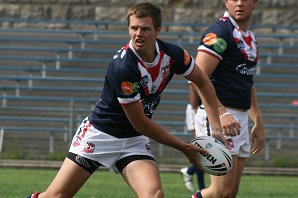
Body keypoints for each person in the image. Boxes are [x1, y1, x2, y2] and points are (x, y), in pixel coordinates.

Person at [26, 3, 228, 198]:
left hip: (133, 141)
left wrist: (216, 128)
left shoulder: (173, 54)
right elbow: (140, 122)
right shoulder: (123, 68)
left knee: (154, 194)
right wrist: (183, 147)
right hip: (100, 135)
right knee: (56, 196)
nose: (138, 34)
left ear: (158, 30)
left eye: (145, 29)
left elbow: (202, 82)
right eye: (134, 28)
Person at [191, 0, 265, 198]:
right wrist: (222, 113)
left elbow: (247, 81)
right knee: (220, 192)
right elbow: (198, 77)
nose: (239, 3)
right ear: (226, 2)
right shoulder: (219, 32)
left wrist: (257, 120)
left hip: (239, 119)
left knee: (230, 193)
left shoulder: (249, 37)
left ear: (255, 3)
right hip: (216, 116)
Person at [180, 82, 205, 193]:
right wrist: (195, 114)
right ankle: (201, 187)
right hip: (198, 111)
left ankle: (190, 171)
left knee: (204, 150)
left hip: (205, 110)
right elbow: (193, 90)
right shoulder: (198, 66)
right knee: (201, 149)